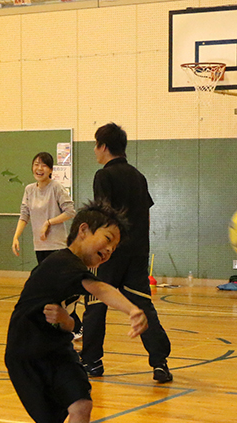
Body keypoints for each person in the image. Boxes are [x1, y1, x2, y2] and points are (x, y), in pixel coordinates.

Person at [5, 201, 147, 423]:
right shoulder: (61, 263)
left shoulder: (76, 273)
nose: (109, 251)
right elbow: (100, 288)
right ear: (83, 230)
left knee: (81, 405)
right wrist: (132, 309)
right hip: (25, 354)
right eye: (107, 239)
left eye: (114, 248)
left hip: (57, 350)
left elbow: (74, 325)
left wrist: (65, 320)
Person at [81, 123, 173, 383]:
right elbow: (146, 215)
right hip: (138, 253)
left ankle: (92, 362)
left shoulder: (103, 176)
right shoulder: (138, 176)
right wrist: (141, 248)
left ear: (104, 146)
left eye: (96, 145)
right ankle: (160, 363)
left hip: (110, 253)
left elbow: (103, 216)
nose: (94, 150)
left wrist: (100, 249)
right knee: (142, 304)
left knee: (96, 304)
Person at [12, 151, 75, 264]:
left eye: (44, 165)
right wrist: (16, 237)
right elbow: (24, 215)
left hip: (57, 245)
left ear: (51, 170)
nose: (39, 168)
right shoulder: (29, 189)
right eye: (36, 164)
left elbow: (70, 212)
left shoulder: (56, 187)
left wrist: (48, 222)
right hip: (39, 245)